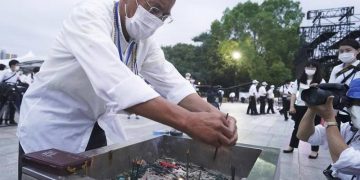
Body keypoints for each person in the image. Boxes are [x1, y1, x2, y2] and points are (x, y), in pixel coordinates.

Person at [17, 0, 238, 178]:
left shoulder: (143, 41)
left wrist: (218, 117)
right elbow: (115, 82)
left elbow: (172, 82)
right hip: (51, 125)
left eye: (164, 16)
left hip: (93, 125)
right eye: (154, 8)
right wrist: (188, 122)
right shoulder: (88, 15)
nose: (156, 19)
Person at [297, 78, 360, 179]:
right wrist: (313, 106)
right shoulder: (350, 130)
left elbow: (346, 162)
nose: (355, 107)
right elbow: (304, 135)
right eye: (352, 102)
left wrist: (329, 119)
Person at [283, 61, 325, 159]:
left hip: (314, 108)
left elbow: (325, 93)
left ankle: (314, 151)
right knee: (297, 127)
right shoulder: (299, 80)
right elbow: (293, 94)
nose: (310, 69)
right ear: (305, 68)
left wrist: (318, 87)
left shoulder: (321, 80)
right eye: (308, 67)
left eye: (313, 68)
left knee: (315, 128)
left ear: (317, 69)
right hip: (300, 106)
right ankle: (291, 146)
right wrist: (292, 106)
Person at [329, 39, 360, 127]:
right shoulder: (336, 69)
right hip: (339, 111)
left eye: (348, 50)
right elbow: (331, 89)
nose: (344, 53)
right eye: (341, 51)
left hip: (357, 109)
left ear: (358, 50)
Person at [0, 59, 20, 126]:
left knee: (13, 106)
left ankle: (11, 120)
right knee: (2, 105)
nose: (18, 67)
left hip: (13, 90)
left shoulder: (16, 73)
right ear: (12, 65)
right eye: (17, 65)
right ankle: (0, 121)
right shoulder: (5, 72)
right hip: (5, 91)